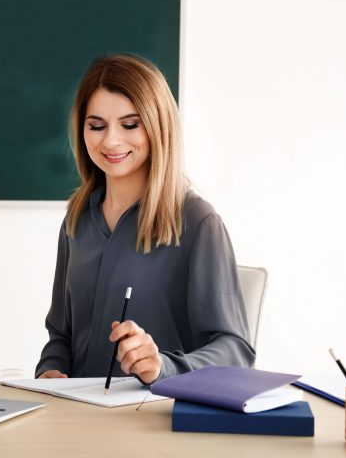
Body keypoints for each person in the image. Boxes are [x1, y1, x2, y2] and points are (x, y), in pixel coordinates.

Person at [35, 54, 255, 385]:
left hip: (155, 416)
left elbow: (235, 353)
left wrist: (160, 366)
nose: (110, 140)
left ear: (157, 127)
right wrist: (49, 371)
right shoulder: (76, 220)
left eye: (129, 124)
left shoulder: (197, 221)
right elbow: (60, 336)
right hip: (79, 418)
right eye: (96, 126)